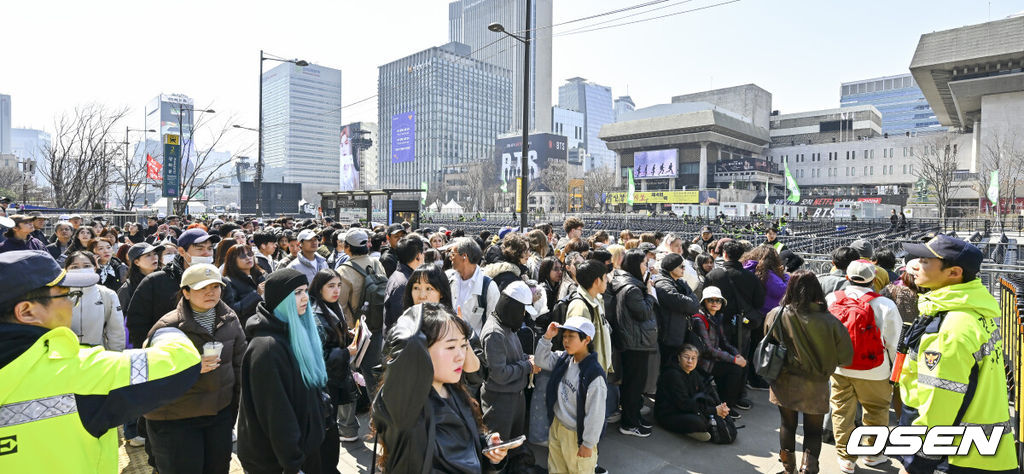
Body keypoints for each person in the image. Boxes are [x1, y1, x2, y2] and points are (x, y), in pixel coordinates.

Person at [0, 250, 201, 472]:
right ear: (27, 312)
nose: (71, 303)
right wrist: (166, 331)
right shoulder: (79, 370)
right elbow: (182, 360)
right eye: (66, 295)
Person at [897, 236, 1018, 473]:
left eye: (924, 261)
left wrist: (916, 462)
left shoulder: (950, 328)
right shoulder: (974, 313)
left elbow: (939, 403)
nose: (914, 266)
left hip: (957, 458)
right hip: (985, 453)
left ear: (953, 273)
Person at [372, 302, 510, 473]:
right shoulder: (405, 405)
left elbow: (462, 449)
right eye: (451, 347)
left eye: (463, 346)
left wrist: (488, 447)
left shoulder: (453, 390)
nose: (460, 356)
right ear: (419, 351)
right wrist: (427, 313)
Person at [144, 263, 246, 474]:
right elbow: (147, 370)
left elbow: (239, 364)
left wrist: (233, 409)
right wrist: (189, 367)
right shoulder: (168, 326)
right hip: (176, 419)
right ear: (186, 293)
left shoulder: (229, 319)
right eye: (202, 288)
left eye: (215, 287)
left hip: (219, 414)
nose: (210, 293)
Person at [237, 268, 328, 474]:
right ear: (280, 299)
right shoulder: (267, 348)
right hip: (276, 462)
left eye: (305, 290)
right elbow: (277, 415)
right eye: (296, 292)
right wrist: (293, 464)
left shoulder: (293, 332)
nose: (305, 297)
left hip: (302, 449)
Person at [764, 270, 853, 474]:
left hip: (784, 380)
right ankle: (808, 469)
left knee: (787, 425)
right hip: (816, 384)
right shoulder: (830, 321)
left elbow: (769, 341)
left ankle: (789, 469)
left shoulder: (777, 314)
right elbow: (846, 357)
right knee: (813, 431)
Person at [825, 260, 902, 474]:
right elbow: (893, 342)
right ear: (873, 278)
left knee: (841, 411)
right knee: (876, 410)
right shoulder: (884, 305)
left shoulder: (832, 299)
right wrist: (895, 369)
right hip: (875, 369)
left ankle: (846, 458)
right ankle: (872, 453)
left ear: (847, 276)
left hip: (840, 367)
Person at [535, 317, 608, 473]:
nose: (565, 341)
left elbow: (596, 413)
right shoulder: (565, 358)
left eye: (571, 336)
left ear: (586, 340)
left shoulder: (594, 375)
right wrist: (547, 337)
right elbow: (541, 360)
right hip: (557, 426)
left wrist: (588, 443)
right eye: (564, 336)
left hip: (576, 435)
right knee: (555, 469)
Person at [126, 228, 219, 349]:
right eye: (200, 249)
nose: (207, 253)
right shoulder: (156, 282)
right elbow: (137, 324)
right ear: (181, 251)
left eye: (210, 248)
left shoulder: (219, 281)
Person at [481, 280, 539, 468]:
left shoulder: (506, 325)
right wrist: (527, 366)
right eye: (522, 312)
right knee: (497, 453)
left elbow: (514, 356)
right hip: (500, 402)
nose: (523, 317)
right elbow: (500, 374)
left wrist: (527, 359)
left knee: (514, 449)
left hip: (514, 397)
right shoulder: (494, 333)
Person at [309, 269, 360, 472]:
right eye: (331, 286)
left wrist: (348, 335)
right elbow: (321, 356)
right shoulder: (315, 314)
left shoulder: (331, 306)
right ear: (318, 288)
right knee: (326, 428)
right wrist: (347, 351)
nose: (336, 290)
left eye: (339, 285)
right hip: (325, 382)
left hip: (335, 379)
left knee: (331, 427)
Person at [610, 248, 658, 438]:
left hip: (633, 340)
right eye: (644, 263)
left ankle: (634, 417)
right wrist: (649, 293)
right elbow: (644, 312)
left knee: (634, 383)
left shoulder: (628, 283)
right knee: (634, 384)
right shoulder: (632, 289)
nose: (646, 267)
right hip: (635, 342)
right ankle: (629, 423)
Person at [335, 228, 388, 396]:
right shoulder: (376, 263)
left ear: (347, 247)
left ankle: (376, 414)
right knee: (377, 373)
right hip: (380, 323)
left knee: (365, 373)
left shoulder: (343, 271)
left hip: (358, 330)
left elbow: (341, 306)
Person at [690, 286, 746, 416]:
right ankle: (726, 406)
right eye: (711, 300)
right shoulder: (699, 319)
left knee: (739, 366)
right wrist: (733, 359)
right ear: (704, 302)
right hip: (702, 363)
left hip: (712, 360)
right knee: (734, 369)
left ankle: (726, 403)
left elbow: (724, 342)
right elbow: (708, 349)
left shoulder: (716, 317)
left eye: (718, 301)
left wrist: (736, 354)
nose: (715, 303)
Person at [654, 344, 730, 441]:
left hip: (688, 409)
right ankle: (691, 430)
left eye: (693, 358)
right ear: (679, 358)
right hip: (669, 413)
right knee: (699, 422)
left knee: (716, 414)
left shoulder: (693, 373)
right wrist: (714, 411)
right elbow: (684, 404)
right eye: (686, 357)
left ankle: (702, 427)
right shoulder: (672, 375)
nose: (690, 361)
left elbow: (707, 390)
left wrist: (720, 406)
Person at [64, 251, 125, 350]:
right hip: (64, 357)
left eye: (87, 266)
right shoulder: (57, 295)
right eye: (75, 267)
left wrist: (115, 355)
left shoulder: (107, 294)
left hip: (97, 357)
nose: (81, 270)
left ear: (95, 268)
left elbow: (116, 331)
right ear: (66, 270)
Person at [653, 253, 700, 368]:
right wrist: (691, 300)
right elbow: (687, 305)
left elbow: (695, 304)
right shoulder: (662, 284)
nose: (684, 269)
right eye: (681, 267)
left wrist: (691, 300)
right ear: (671, 267)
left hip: (680, 334)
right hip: (669, 338)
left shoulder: (679, 282)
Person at [446, 237, 500, 336]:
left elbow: (493, 324)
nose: (450, 257)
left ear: (464, 257)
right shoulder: (449, 280)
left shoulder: (488, 286)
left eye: (453, 254)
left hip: (475, 347)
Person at [117, 242, 164, 338]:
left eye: (155, 253)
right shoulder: (127, 288)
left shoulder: (166, 279)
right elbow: (120, 317)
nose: (154, 257)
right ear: (136, 262)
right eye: (148, 255)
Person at [384, 235, 424, 330]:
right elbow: (402, 322)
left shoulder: (401, 276)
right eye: (423, 253)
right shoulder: (404, 284)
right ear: (418, 256)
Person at [221, 243, 266, 324]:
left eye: (250, 254)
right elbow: (232, 310)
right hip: (247, 329)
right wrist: (256, 294)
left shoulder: (260, 275)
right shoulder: (229, 282)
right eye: (242, 256)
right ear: (233, 260)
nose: (248, 258)